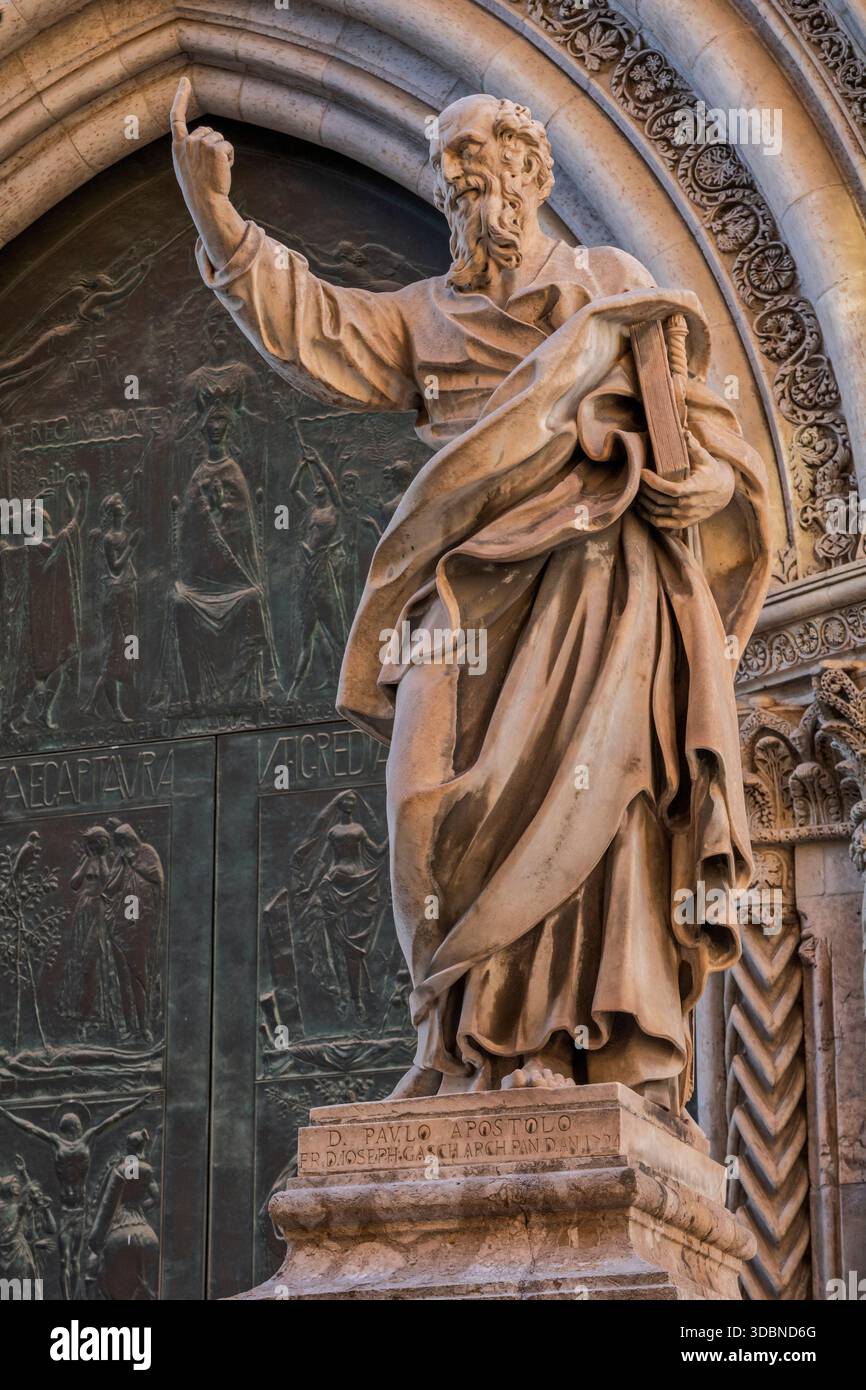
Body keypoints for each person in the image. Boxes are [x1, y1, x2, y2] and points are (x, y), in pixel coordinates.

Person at [170, 81, 770, 1111]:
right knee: (421, 803)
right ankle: (450, 1039)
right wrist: (216, 215)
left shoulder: (607, 287)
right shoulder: (426, 316)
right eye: (446, 175)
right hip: (459, 593)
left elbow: (715, 444)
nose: (456, 189)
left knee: (586, 803)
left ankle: (557, 1046)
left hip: (592, 588)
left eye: (472, 166)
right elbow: (314, 325)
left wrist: (704, 483)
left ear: (531, 175)